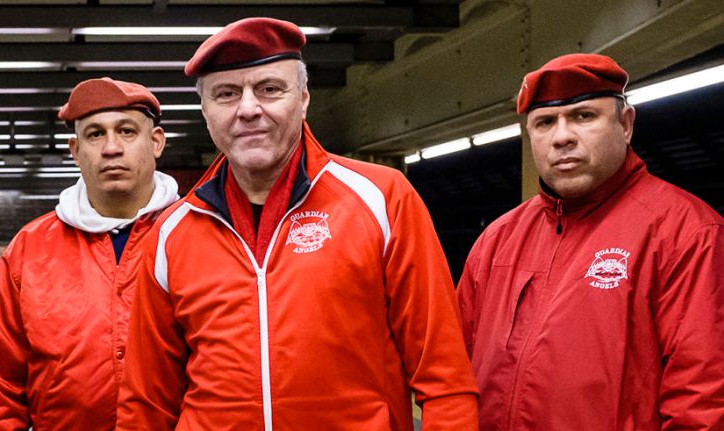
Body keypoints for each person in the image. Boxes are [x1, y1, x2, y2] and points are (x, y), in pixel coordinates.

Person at [117, 17, 479, 430]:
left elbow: (444, 376)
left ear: (304, 98)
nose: (249, 108)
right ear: (205, 111)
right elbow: (146, 404)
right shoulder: (171, 234)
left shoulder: (382, 199)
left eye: (270, 89)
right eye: (226, 94)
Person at [456, 53, 724, 430]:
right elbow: (454, 377)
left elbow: (704, 402)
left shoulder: (686, 233)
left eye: (584, 116)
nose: (562, 136)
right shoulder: (497, 241)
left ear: (626, 124)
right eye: (545, 122)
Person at [0, 78, 179, 430]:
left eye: (126, 131)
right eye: (95, 134)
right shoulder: (31, 250)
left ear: (155, 142)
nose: (111, 147)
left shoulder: (195, 236)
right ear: (75, 151)